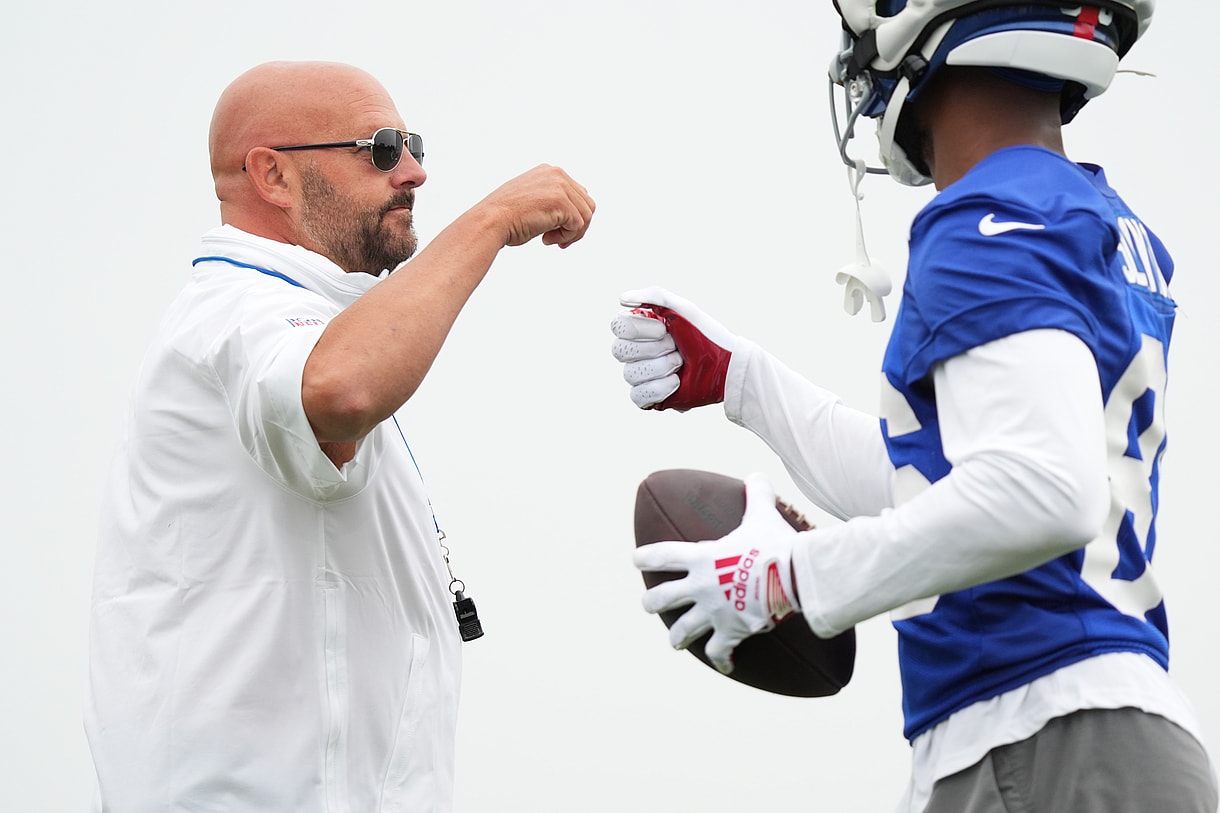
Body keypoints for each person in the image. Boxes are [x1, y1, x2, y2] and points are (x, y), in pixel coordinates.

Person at [611, 2, 1217, 811]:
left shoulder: (987, 216)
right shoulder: (1080, 210)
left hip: (1037, 729)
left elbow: (1038, 491)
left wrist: (785, 577)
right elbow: (947, 483)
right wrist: (742, 381)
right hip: (1080, 729)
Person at [85, 60, 594, 812]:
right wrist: (491, 220)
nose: (414, 172)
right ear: (272, 174)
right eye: (382, 147)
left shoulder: (287, 314)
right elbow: (338, 389)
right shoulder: (237, 308)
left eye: (413, 144)